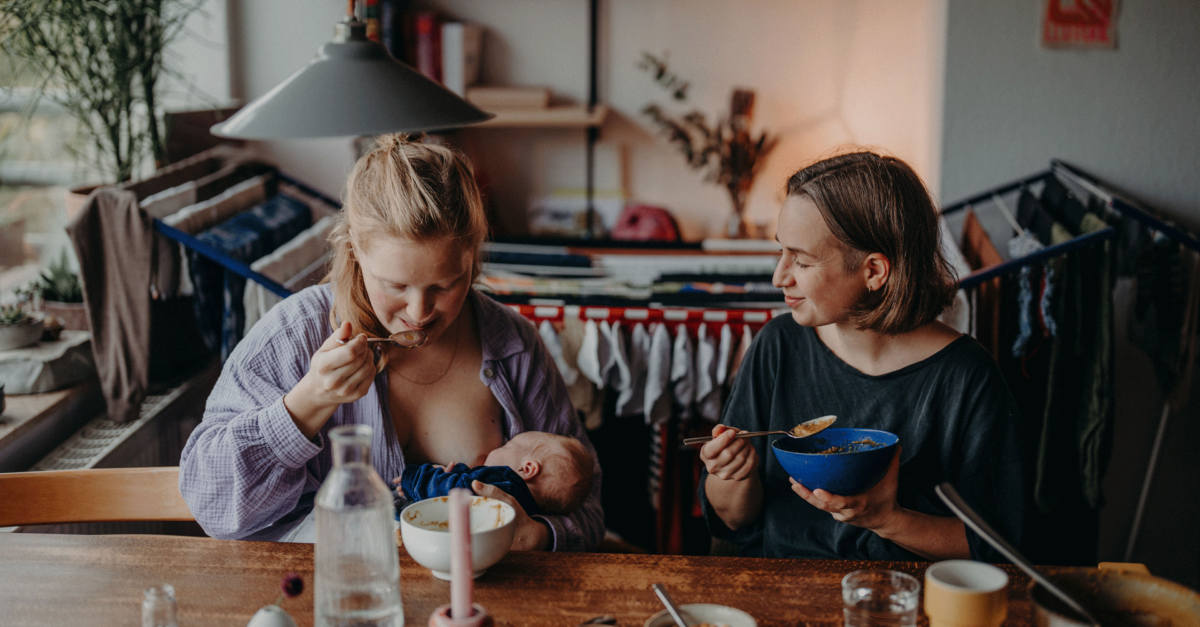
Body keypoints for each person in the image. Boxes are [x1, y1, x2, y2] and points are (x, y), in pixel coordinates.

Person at [179, 135, 603, 552]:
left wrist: (539, 535)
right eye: (395, 285)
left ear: (472, 257)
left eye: (445, 284)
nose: (419, 312)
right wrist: (305, 405)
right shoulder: (295, 333)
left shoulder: (513, 344)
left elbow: (587, 509)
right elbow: (210, 503)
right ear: (356, 252)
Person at [698, 151, 1024, 562]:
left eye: (801, 260)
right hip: (783, 590)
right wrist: (732, 474)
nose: (779, 277)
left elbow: (999, 548)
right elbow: (731, 520)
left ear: (873, 271)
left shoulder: (966, 377)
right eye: (781, 252)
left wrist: (887, 519)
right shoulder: (778, 346)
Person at [396, 431, 595, 517]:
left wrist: (414, 479)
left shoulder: (506, 482)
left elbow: (454, 492)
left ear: (526, 470)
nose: (502, 445)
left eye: (510, 444)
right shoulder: (527, 509)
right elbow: (468, 482)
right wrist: (455, 473)